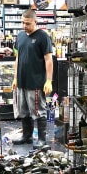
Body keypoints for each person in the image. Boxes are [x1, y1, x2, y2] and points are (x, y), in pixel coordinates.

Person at [12, 9, 54, 148]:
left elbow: (48, 59)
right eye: (23, 23)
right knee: (23, 110)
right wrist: (15, 77)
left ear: (35, 22)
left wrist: (48, 80)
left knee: (38, 111)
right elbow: (18, 58)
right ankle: (27, 136)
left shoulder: (43, 37)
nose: (25, 26)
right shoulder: (20, 36)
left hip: (35, 82)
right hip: (22, 81)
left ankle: (42, 140)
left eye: (28, 23)